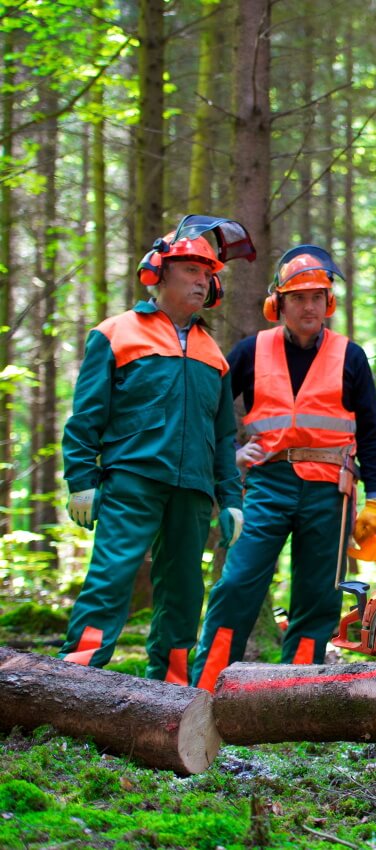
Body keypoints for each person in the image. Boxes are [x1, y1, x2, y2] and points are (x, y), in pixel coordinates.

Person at [60, 215, 255, 682]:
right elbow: (86, 415)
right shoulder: (115, 333)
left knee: (185, 591)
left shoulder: (213, 353)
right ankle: (75, 677)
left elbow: (224, 436)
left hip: (192, 490)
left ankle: (168, 686)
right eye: (191, 270)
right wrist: (81, 481)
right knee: (111, 578)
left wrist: (231, 501)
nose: (201, 281)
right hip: (133, 480)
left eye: (207, 274)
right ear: (159, 273)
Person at [191, 244, 376, 691]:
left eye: (317, 296)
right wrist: (226, 461)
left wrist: (375, 499)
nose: (309, 306)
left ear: (329, 302)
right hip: (267, 482)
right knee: (237, 582)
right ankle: (205, 686)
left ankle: (291, 693)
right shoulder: (250, 351)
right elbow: (216, 415)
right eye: (298, 297)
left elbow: (372, 435)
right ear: (277, 304)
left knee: (318, 597)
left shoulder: (350, 356)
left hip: (331, 489)